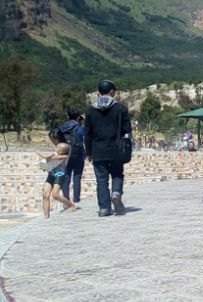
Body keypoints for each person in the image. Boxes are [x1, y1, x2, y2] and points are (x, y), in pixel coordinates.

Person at [84, 80, 132, 217]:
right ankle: (116, 193)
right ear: (111, 91)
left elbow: (87, 133)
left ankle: (104, 208)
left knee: (101, 180)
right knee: (117, 174)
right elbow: (127, 129)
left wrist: (88, 152)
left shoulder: (91, 110)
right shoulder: (120, 108)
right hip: (116, 148)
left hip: (97, 150)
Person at [37, 128, 77, 218]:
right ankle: (46, 216)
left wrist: (43, 156)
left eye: (53, 139)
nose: (52, 141)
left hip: (60, 174)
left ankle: (71, 205)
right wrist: (46, 161)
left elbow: (56, 158)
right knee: (45, 195)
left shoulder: (65, 148)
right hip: (51, 173)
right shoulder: (59, 147)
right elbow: (50, 160)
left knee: (55, 195)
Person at [59, 109, 85, 203]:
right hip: (78, 155)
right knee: (77, 177)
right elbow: (84, 139)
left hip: (65, 154)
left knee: (66, 177)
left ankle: (66, 200)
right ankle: (76, 199)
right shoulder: (80, 128)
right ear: (78, 117)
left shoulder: (62, 127)